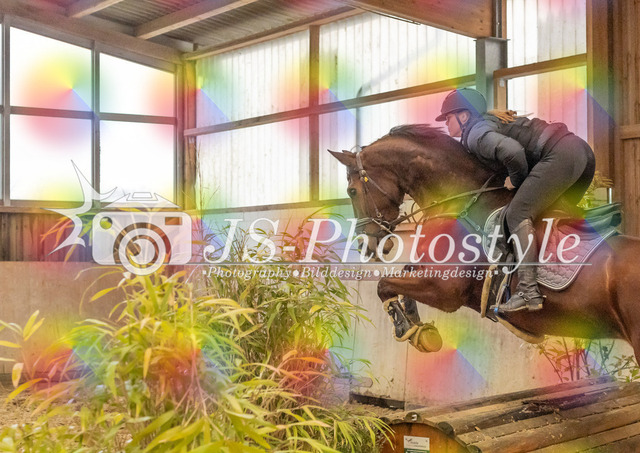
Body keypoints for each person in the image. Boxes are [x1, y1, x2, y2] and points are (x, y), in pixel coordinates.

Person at [436, 88, 596, 313]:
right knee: (545, 215)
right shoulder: (488, 124)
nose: (445, 123)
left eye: (448, 117)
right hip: (582, 155)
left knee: (517, 215)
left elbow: (512, 151)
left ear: (464, 116)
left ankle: (528, 292)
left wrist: (516, 179)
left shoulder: (474, 134)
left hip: (561, 156)